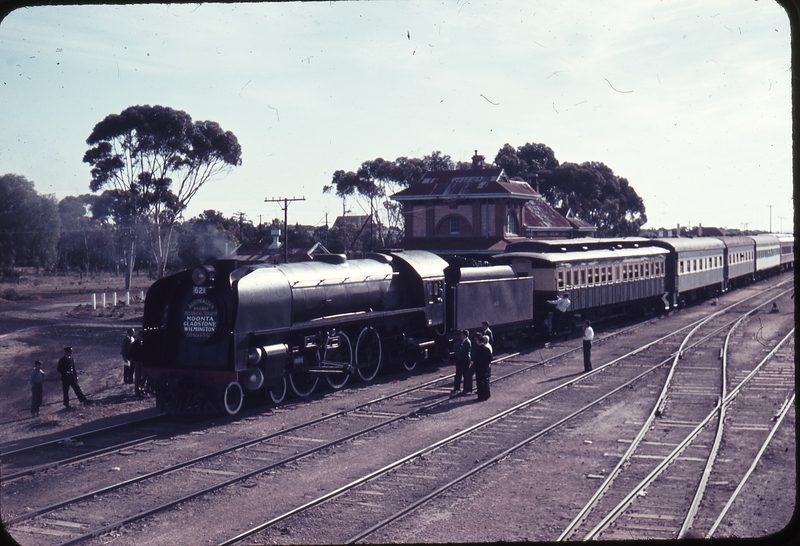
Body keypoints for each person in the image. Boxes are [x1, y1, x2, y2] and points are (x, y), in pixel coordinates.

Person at [451, 330, 472, 395]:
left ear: (465, 335)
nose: (461, 336)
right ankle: (457, 387)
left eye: (462, 334)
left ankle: (466, 388)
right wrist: (457, 348)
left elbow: (462, 350)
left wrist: (457, 349)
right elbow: (456, 347)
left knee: (465, 375)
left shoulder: (467, 342)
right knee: (458, 374)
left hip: (465, 360)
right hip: (459, 360)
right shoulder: (461, 341)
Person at [473, 335, 492, 401]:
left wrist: (475, 366)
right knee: (485, 381)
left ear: (479, 341)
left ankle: (481, 396)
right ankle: (486, 395)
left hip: (479, 368)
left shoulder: (478, 349)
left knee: (480, 382)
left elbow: (476, 359)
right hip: (485, 367)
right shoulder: (487, 349)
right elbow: (490, 358)